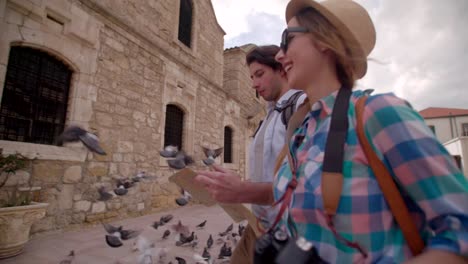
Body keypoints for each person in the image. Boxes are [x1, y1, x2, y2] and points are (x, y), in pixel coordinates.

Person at [271, 0, 468, 263]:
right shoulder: (302, 132)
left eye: (287, 40)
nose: (278, 55)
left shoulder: (379, 114)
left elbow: (461, 228)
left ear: (324, 39)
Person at [195, 45, 307, 263]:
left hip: (286, 234)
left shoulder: (302, 107)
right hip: (257, 224)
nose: (254, 84)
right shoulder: (268, 116)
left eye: (260, 74)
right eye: (251, 77)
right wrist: (232, 186)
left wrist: (244, 191)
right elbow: (268, 173)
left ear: (281, 69)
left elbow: (304, 185)